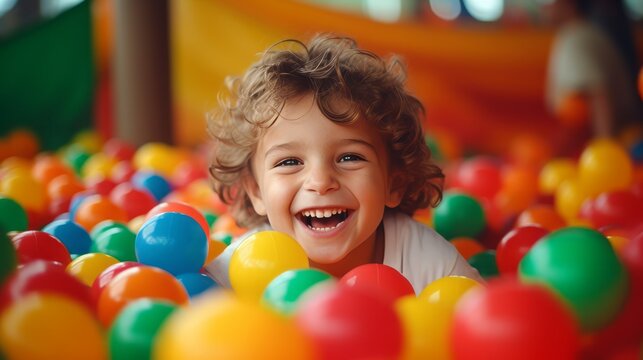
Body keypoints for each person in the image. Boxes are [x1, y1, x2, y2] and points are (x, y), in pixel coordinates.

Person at [204, 34, 483, 294]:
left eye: (349, 158)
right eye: (289, 162)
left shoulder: (429, 264)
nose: (321, 181)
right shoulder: (241, 269)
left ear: (393, 182)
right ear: (256, 191)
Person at [544, 0, 642, 154]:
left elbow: (598, 95)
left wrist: (605, 149)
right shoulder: (582, 33)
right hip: (606, 142)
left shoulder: (577, 39)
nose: (545, 5)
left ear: (569, 3)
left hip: (619, 141)